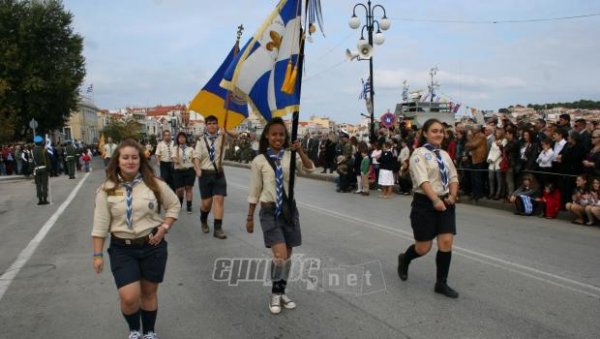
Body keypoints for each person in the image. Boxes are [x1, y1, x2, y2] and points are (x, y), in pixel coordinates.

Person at [92, 138, 180, 339]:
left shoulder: (154, 184)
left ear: (141, 161)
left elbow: (174, 205)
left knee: (149, 293)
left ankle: (149, 331)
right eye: (125, 157)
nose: (130, 161)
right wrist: (97, 254)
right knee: (129, 297)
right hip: (123, 248)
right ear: (118, 160)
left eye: (134, 157)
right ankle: (134, 330)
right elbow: (100, 225)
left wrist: (164, 227)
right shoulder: (107, 189)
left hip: (152, 245)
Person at [245, 117, 314, 314]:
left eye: (281, 134)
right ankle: (275, 294)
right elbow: (254, 190)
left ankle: (282, 290)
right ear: (267, 136)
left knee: (288, 256)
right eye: (274, 134)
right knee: (279, 255)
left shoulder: (291, 157)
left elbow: (310, 169)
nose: (278, 137)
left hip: (289, 211)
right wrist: (250, 217)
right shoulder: (259, 161)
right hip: (269, 212)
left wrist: (299, 150)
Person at [397, 119, 460, 298]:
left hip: (446, 202)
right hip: (425, 203)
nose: (439, 134)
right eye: (434, 131)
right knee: (423, 248)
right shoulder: (419, 154)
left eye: (441, 131)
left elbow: (454, 177)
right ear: (425, 133)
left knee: (446, 242)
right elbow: (423, 180)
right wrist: (434, 200)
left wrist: (452, 196)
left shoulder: (444, 155)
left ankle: (441, 283)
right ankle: (405, 259)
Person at [193, 115, 232, 239]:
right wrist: (197, 169)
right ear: (206, 125)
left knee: (219, 199)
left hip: (219, 173)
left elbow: (239, 136)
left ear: (217, 124)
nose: (212, 125)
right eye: (209, 123)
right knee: (206, 203)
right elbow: (196, 157)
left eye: (214, 123)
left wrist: (227, 130)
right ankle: (203, 219)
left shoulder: (223, 138)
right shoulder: (200, 140)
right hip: (205, 174)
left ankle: (218, 228)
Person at [172, 132, 196, 214]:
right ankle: (180, 203)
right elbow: (173, 158)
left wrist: (197, 167)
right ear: (178, 139)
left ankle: (189, 206)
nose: (181, 139)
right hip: (178, 171)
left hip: (189, 170)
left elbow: (194, 159)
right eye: (180, 138)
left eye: (183, 137)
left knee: (188, 188)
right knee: (179, 190)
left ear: (186, 139)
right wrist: (176, 160)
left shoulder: (191, 149)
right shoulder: (175, 148)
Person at [32, 136, 51, 205]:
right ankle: (45, 199)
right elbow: (47, 160)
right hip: (44, 168)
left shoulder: (32, 151)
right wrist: (49, 169)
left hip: (36, 169)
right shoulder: (44, 150)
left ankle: (40, 200)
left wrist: (32, 169)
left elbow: (31, 161)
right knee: (44, 184)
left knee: (38, 185)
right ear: (41, 142)